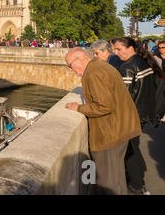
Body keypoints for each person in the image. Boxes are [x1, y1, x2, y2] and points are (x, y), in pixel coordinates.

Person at [64, 48, 142, 195]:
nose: (70, 70)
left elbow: (104, 106)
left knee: (107, 183)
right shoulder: (101, 67)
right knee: (117, 179)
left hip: (109, 135)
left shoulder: (94, 73)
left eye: (69, 65)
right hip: (119, 130)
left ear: (79, 60)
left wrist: (79, 108)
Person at [113, 37, 164, 195]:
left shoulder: (127, 67)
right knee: (134, 146)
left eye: (118, 49)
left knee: (129, 151)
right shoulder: (144, 62)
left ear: (130, 48)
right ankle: (140, 171)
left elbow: (123, 97)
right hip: (144, 113)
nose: (115, 53)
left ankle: (137, 185)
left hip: (131, 115)